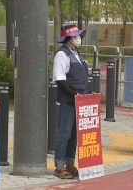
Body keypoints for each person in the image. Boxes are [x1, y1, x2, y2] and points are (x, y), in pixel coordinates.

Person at [52, 25, 89, 179]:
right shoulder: (62, 54)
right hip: (68, 101)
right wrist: (74, 94)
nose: (78, 38)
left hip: (79, 101)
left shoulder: (76, 53)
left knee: (74, 135)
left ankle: (70, 164)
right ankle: (59, 167)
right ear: (69, 38)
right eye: (76, 35)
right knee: (64, 134)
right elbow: (60, 79)